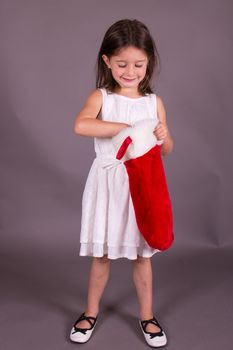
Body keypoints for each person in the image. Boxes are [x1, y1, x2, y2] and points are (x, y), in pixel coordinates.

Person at [69, 19, 174, 348]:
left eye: (138, 65)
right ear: (107, 61)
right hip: (109, 182)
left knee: (143, 256)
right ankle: (90, 311)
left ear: (149, 62)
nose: (130, 71)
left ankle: (147, 315)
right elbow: (81, 125)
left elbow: (166, 150)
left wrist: (163, 134)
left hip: (140, 184)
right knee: (102, 255)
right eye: (122, 64)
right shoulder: (102, 97)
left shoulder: (153, 103)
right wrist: (123, 126)